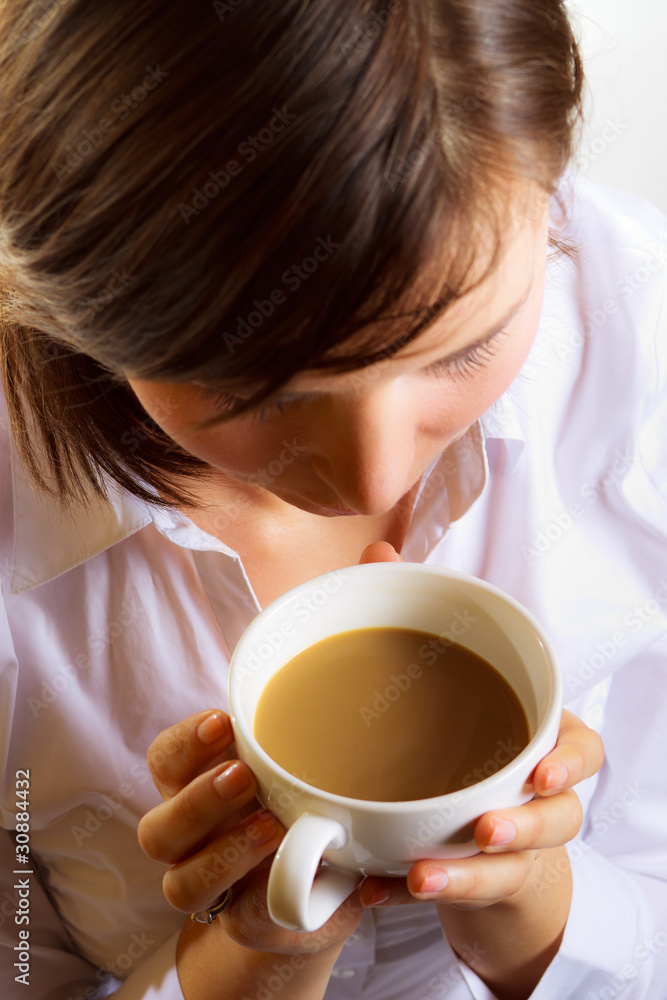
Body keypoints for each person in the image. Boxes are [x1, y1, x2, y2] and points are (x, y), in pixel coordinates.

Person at [0, 1, 665, 998]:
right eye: (255, 392)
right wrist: (255, 954)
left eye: (463, 348)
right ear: (80, 308)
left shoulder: (640, 339)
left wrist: (538, 910)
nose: (375, 482)